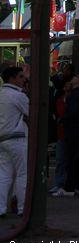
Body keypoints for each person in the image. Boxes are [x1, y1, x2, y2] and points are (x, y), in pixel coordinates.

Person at [0, 67, 28, 216]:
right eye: (21, 77)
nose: (24, 79)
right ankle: (23, 208)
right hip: (16, 138)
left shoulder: (1, 94)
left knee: (3, 175)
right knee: (22, 174)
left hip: (2, 138)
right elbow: (31, 112)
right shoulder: (18, 96)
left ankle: (1, 208)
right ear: (12, 79)